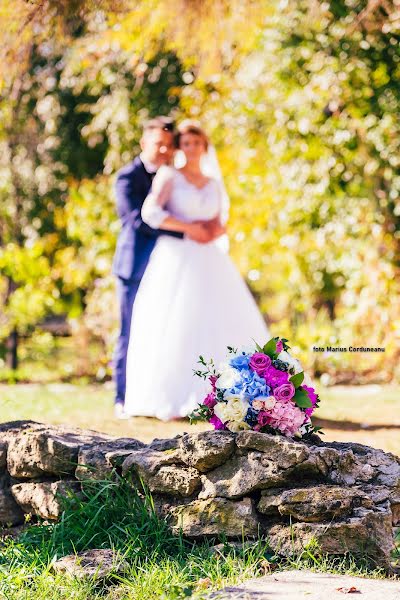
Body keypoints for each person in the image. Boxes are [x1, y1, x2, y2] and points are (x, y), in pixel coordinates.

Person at [124, 120, 271, 421]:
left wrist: (216, 230)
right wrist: (188, 228)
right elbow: (150, 212)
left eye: (196, 142)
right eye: (186, 143)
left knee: (218, 319)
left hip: (209, 257)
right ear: (180, 147)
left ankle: (228, 394)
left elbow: (219, 218)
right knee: (179, 321)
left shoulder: (214, 182)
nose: (191, 148)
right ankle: (175, 395)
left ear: (204, 145)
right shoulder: (169, 176)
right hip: (177, 256)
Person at [112, 117, 218, 418]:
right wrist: (185, 231)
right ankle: (122, 397)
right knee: (129, 331)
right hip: (136, 264)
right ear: (143, 143)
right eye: (157, 143)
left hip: (173, 266)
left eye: (166, 145)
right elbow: (136, 220)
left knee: (165, 330)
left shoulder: (176, 175)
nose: (162, 149)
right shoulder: (127, 177)